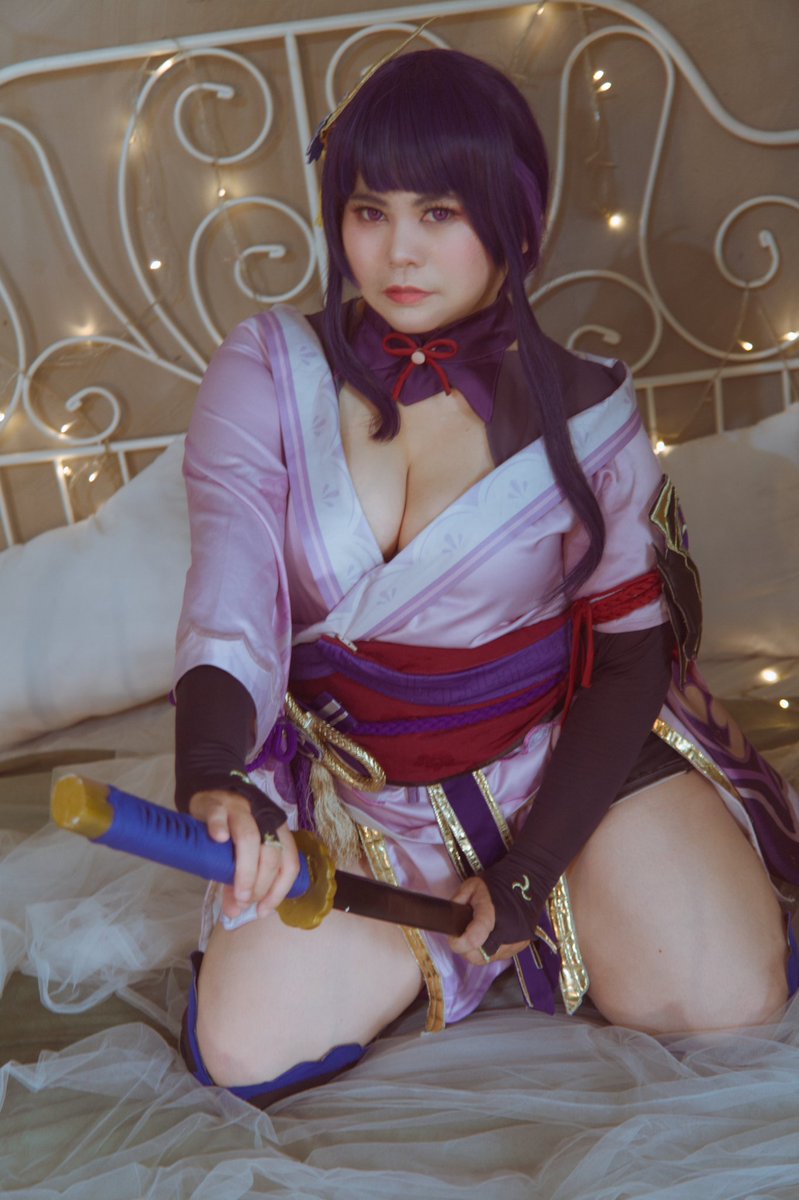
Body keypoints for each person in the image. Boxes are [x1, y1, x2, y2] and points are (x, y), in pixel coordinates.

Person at [172, 46, 799, 1108]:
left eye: (439, 212)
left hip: (562, 770)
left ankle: (576, 897)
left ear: (515, 217)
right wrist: (214, 773)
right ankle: (457, 942)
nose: (398, 252)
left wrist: (530, 867)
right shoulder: (264, 368)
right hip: (367, 802)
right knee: (241, 1053)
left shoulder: (592, 408)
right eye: (368, 212)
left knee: (729, 1001)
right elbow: (227, 604)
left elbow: (629, 661)